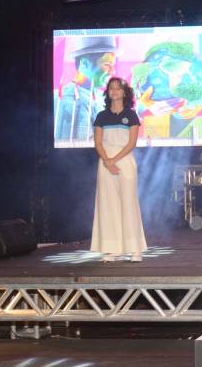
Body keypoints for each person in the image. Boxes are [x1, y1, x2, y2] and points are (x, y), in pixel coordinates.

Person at [91, 77, 147, 262]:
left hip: (124, 161)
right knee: (108, 205)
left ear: (124, 92)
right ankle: (113, 249)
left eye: (118, 88)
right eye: (111, 88)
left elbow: (131, 143)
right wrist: (107, 162)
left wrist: (114, 160)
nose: (114, 91)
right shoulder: (101, 116)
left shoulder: (131, 115)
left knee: (128, 203)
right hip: (105, 161)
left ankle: (134, 249)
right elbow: (98, 142)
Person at [56, 37, 116, 144]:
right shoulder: (66, 99)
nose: (112, 71)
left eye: (112, 65)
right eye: (107, 64)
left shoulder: (102, 97)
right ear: (84, 64)